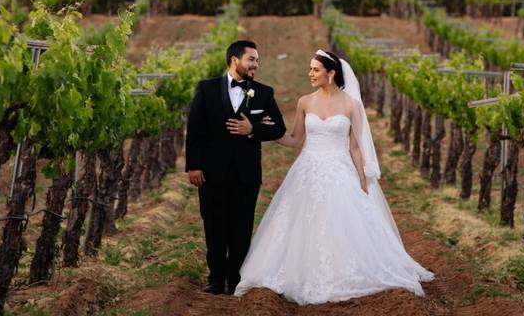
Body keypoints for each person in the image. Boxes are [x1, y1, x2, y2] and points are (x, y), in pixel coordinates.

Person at [233, 49, 434, 305]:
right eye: (310, 69)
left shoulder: (352, 105)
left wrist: (362, 178)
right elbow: (295, 139)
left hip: (340, 169)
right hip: (308, 169)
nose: (310, 74)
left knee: (343, 222)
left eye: (315, 70)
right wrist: (260, 130)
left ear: (331, 73)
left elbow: (355, 146)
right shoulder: (305, 102)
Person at [185, 40, 287, 295]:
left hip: (246, 173)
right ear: (234, 60)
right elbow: (195, 130)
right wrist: (194, 166)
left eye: (257, 61)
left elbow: (278, 128)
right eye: (251, 59)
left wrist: (253, 129)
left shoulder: (264, 93)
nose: (256, 65)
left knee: (241, 228)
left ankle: (236, 278)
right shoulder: (206, 89)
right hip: (211, 172)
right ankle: (216, 279)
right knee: (214, 225)